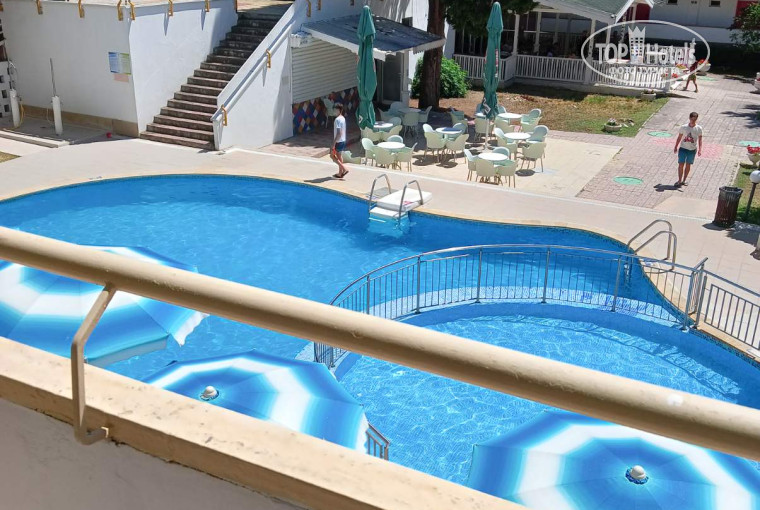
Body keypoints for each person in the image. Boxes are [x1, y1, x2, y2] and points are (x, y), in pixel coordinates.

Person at [673, 111, 703, 187]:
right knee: (681, 164)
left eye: (695, 119)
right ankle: (679, 180)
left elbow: (700, 139)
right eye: (692, 119)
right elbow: (679, 137)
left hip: (692, 150)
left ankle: (684, 180)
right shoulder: (684, 127)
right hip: (683, 148)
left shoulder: (699, 128)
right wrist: (676, 146)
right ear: (689, 118)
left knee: (688, 165)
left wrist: (700, 149)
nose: (693, 121)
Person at [331, 103, 348, 179]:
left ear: (339, 110)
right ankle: (340, 173)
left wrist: (333, 143)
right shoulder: (342, 118)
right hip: (343, 140)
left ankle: (344, 169)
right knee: (339, 156)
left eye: (335, 109)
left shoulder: (337, 120)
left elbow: (339, 133)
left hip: (338, 141)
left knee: (332, 156)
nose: (334, 111)